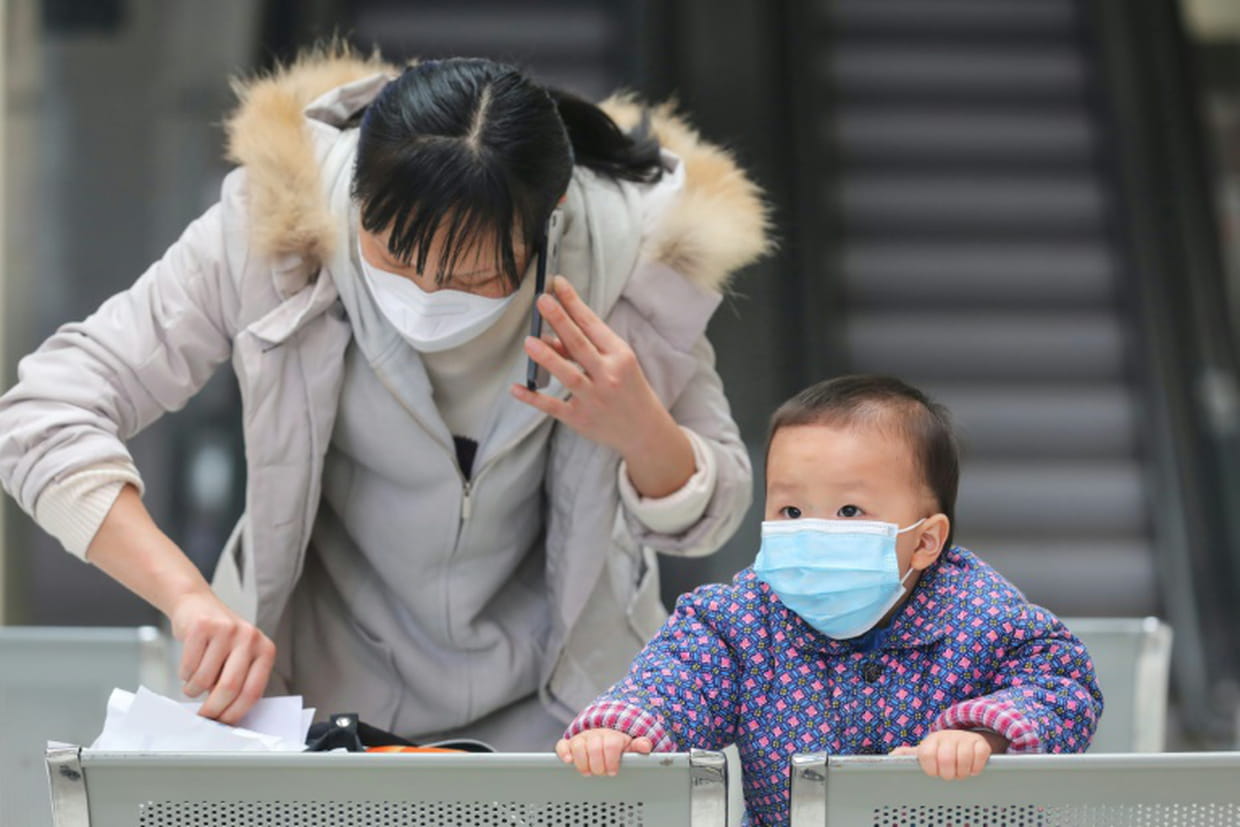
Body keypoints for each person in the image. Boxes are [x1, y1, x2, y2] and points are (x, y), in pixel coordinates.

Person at [0, 47, 769, 749]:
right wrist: (187, 596)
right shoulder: (275, 229)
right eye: (394, 257)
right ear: (357, 194)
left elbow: (716, 513)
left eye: (472, 277)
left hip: (563, 722)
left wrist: (641, 428)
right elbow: (43, 416)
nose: (428, 296)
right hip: (311, 708)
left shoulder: (633, 264)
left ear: (549, 217)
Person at [557, 375, 1102, 826]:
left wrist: (984, 732)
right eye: (791, 512)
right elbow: (681, 674)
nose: (812, 532)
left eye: (848, 512)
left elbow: (1062, 684)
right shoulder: (745, 619)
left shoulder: (981, 616)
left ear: (925, 541)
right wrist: (626, 726)